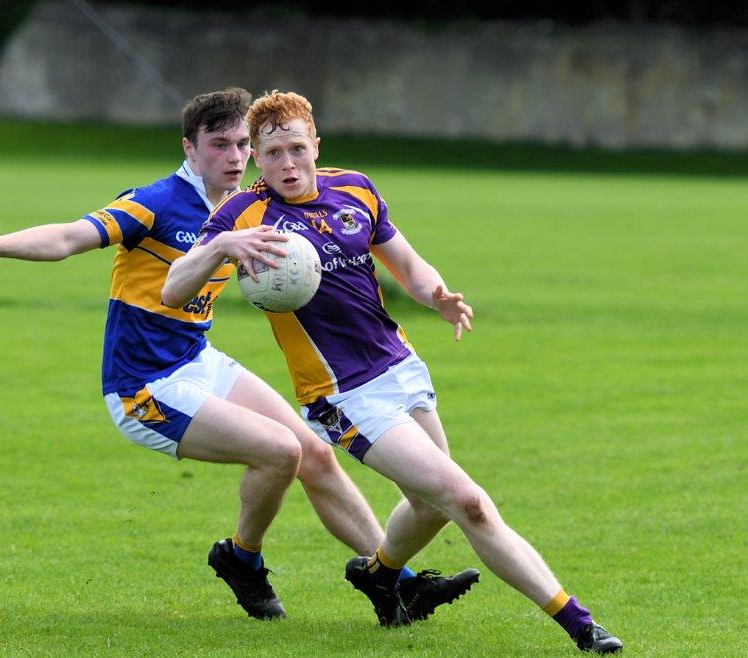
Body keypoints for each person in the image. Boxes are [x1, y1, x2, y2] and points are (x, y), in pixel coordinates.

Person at [0, 88, 477, 623]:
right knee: (279, 451)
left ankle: (394, 583)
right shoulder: (156, 202)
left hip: (197, 359)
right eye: (219, 144)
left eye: (243, 145)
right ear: (190, 149)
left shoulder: (244, 204)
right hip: (144, 386)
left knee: (314, 453)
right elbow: (68, 236)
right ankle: (241, 558)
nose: (234, 156)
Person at [164, 90, 624, 653]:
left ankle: (379, 573)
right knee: (467, 500)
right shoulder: (242, 214)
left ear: (316, 145)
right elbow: (173, 287)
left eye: (296, 149)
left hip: (402, 367)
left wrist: (437, 295)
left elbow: (406, 263)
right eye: (272, 153)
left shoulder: (355, 187)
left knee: (430, 506)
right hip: (342, 394)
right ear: (256, 158)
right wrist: (222, 247)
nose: (286, 164)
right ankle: (581, 625)